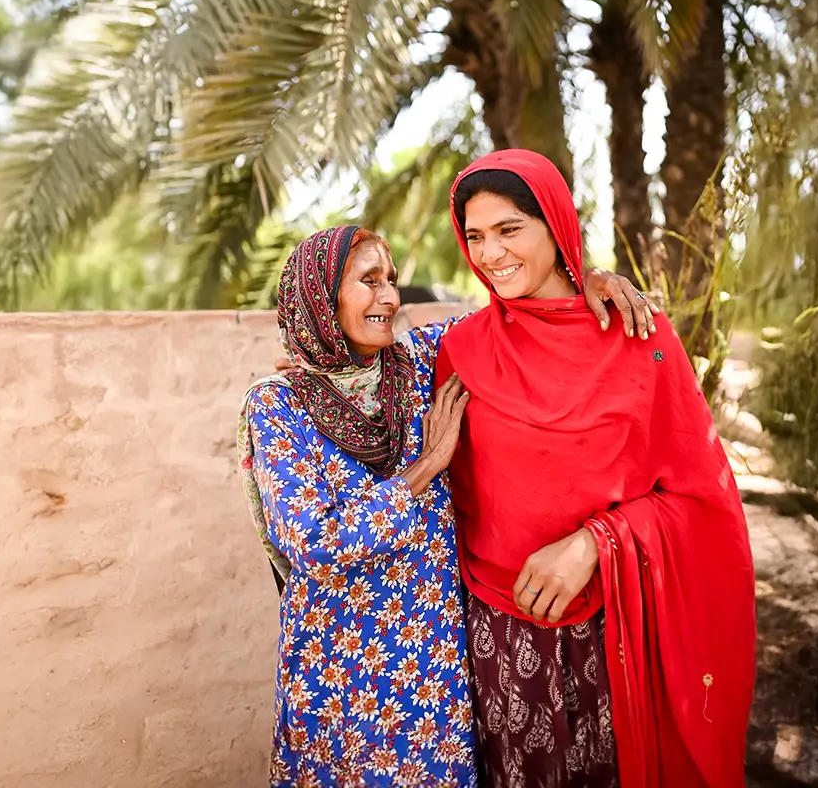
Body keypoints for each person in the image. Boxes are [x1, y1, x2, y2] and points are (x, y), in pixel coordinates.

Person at [237, 224, 656, 786]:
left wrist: (586, 282)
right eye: (368, 282)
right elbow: (314, 542)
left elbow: (513, 317)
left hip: (432, 669)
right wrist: (424, 468)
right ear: (319, 295)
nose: (389, 297)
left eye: (390, 281)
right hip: (337, 671)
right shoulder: (277, 405)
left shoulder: (418, 363)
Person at [433, 149, 755, 787]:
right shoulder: (459, 349)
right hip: (498, 643)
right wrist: (302, 378)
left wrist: (594, 544)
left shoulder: (640, 337)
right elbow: (365, 353)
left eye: (510, 230)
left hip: (621, 627)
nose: (490, 254)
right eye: (475, 236)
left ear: (556, 224)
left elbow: (700, 497)